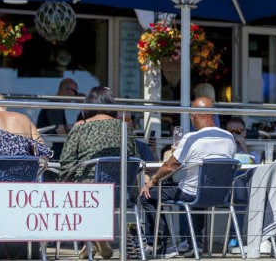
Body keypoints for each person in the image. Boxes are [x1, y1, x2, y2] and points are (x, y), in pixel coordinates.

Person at [140, 97, 236, 258]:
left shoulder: (192, 138)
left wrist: (153, 180)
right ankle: (195, 244)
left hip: (191, 193)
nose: (191, 120)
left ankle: (166, 246)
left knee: (147, 195)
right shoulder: (229, 138)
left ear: (195, 116)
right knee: (198, 193)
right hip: (219, 194)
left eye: (191, 116)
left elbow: (170, 166)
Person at [59, 86, 137, 259]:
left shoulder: (81, 126)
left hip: (88, 193)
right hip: (120, 192)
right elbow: (135, 158)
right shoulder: (124, 128)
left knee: (70, 189)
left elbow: (66, 161)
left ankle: (93, 238)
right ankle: (94, 241)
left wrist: (64, 179)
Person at [37, 78, 81, 159]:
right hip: (52, 150)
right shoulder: (55, 106)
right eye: (75, 92)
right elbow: (60, 131)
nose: (76, 96)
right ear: (67, 90)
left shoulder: (56, 104)